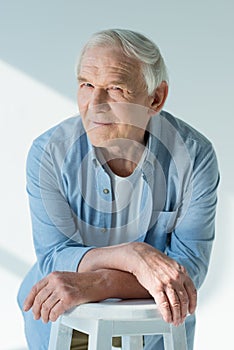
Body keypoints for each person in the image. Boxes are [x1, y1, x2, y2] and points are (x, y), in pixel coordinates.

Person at [17, 29, 219, 350]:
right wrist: (131, 255)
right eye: (86, 85)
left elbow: (188, 272)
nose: (95, 104)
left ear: (155, 98)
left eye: (115, 89)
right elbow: (54, 258)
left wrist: (103, 281)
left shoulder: (193, 155)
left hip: (154, 327)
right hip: (65, 318)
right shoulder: (49, 153)